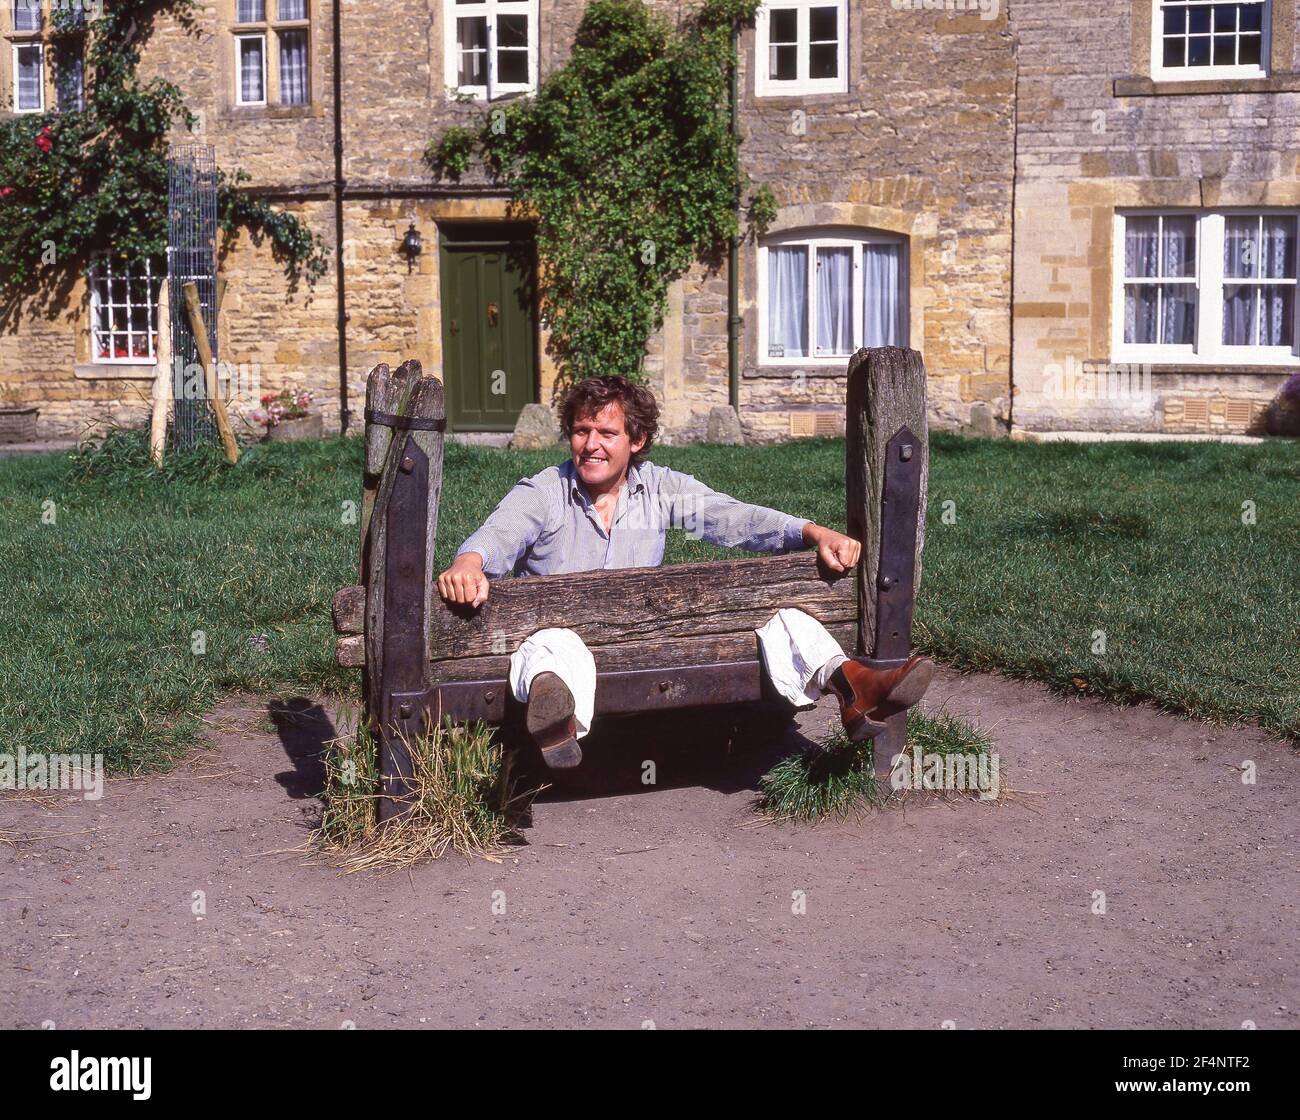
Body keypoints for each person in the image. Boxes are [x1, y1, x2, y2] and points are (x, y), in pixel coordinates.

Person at [437, 376, 932, 769]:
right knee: (553, 645)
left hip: (638, 642)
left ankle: (852, 685)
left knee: (785, 617)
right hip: (565, 643)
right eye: (581, 431)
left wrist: (810, 533)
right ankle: (554, 721)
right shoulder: (546, 491)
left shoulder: (659, 489)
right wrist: (469, 563)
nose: (590, 445)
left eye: (607, 433)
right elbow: (499, 533)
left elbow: (730, 517)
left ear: (637, 439)